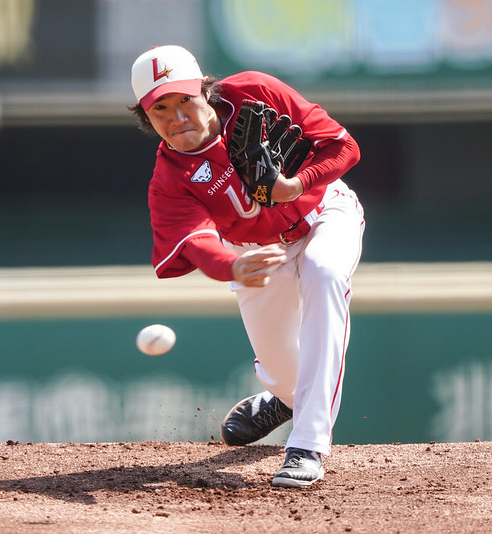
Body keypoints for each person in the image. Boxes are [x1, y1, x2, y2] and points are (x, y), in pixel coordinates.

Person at [130, 45, 365, 488]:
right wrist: (230, 267)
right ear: (146, 117)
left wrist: (297, 183)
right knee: (285, 371)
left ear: (205, 89)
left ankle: (308, 445)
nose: (177, 117)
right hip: (255, 253)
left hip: (324, 214)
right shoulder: (169, 181)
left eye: (185, 100)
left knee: (324, 272)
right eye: (161, 109)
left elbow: (343, 147)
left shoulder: (254, 92)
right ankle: (285, 399)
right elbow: (196, 241)